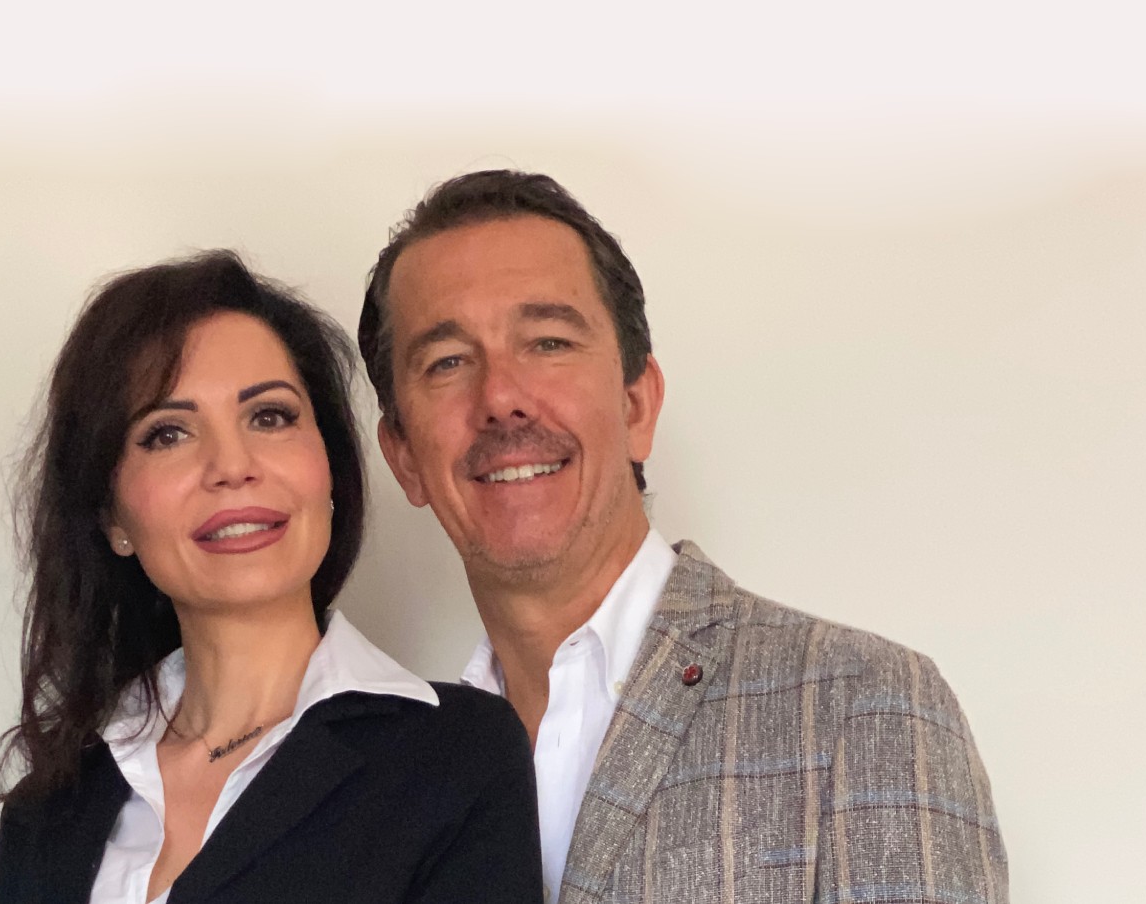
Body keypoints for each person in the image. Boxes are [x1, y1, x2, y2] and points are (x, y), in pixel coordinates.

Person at [358, 170, 1010, 904]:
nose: (501, 396)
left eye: (547, 342)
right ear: (403, 457)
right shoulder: (395, 774)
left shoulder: (862, 705)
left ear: (637, 405)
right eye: (447, 362)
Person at [0, 251, 540, 904]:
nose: (232, 465)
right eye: (167, 434)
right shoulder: (48, 808)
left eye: (270, 417)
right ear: (112, 517)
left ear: (328, 468)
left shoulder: (455, 757)